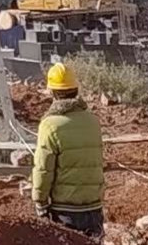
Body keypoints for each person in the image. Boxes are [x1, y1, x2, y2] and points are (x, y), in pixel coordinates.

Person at [31, 61, 104, 239]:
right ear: (76, 89)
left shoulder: (50, 125)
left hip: (65, 210)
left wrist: (40, 202)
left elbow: (43, 169)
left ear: (52, 92)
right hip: (94, 206)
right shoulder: (93, 121)